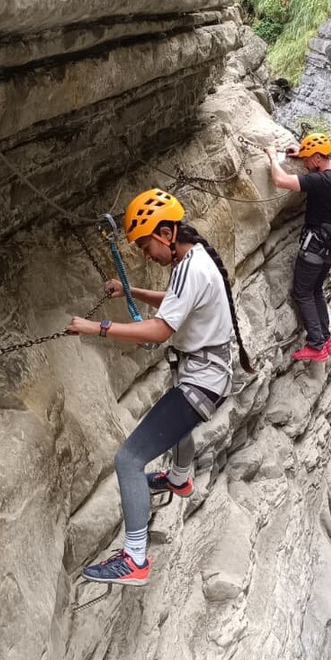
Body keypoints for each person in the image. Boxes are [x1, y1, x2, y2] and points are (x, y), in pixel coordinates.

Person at [66, 189, 253, 586]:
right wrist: (130, 291)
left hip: (200, 382)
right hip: (207, 375)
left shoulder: (192, 268)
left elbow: (158, 329)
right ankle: (179, 478)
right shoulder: (193, 261)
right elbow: (174, 302)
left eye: (146, 244)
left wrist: (94, 327)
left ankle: (135, 560)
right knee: (173, 425)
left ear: (167, 233)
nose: (145, 253)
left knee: (128, 461)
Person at [264, 132, 331, 363]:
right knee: (316, 291)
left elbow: (281, 181)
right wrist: (299, 152)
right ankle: (327, 338)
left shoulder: (319, 181)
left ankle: (316, 345)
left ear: (319, 158)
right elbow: (316, 167)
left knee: (302, 293)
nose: (305, 163)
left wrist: (273, 157)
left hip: (314, 247)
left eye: (308, 159)